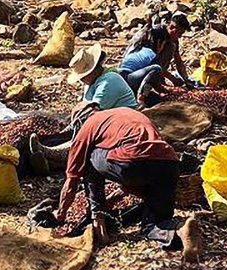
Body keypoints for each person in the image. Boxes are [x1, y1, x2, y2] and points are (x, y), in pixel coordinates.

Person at [53, 107, 200, 260]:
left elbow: (72, 180)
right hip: (169, 165)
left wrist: (61, 215)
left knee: (89, 157)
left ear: (80, 121)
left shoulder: (89, 124)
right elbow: (144, 164)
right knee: (152, 225)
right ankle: (179, 229)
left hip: (131, 162)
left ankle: (97, 216)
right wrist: (116, 196)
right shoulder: (126, 114)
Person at [29, 44, 137, 174]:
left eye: (83, 76)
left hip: (123, 123)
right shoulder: (92, 82)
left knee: (86, 132)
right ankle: (50, 160)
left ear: (94, 71)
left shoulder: (110, 80)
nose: (82, 80)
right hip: (104, 120)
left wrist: (79, 115)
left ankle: (53, 154)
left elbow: (93, 111)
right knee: (71, 130)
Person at [125, 12, 192, 88]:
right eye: (179, 33)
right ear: (172, 27)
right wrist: (172, 79)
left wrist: (186, 79)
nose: (180, 36)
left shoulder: (173, 39)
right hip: (133, 71)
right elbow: (152, 63)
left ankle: (157, 80)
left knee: (171, 46)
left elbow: (178, 61)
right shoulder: (155, 33)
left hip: (150, 67)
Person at [118, 26, 172, 107]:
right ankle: (141, 99)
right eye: (163, 44)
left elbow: (152, 81)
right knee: (157, 68)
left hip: (121, 78)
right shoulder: (151, 54)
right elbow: (153, 79)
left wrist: (164, 91)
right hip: (128, 78)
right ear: (159, 42)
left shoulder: (138, 48)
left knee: (156, 99)